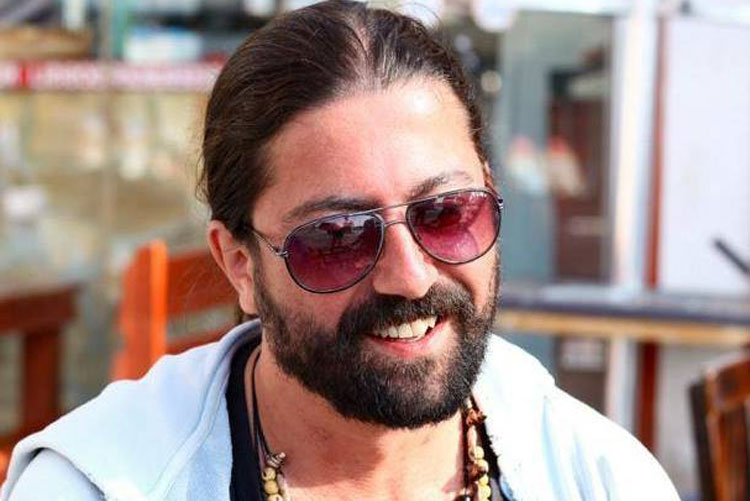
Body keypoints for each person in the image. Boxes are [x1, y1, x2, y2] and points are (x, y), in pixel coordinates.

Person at [1, 2, 679, 500]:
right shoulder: (99, 485)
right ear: (240, 264)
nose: (410, 277)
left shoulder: (599, 475)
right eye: (337, 237)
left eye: (447, 213)